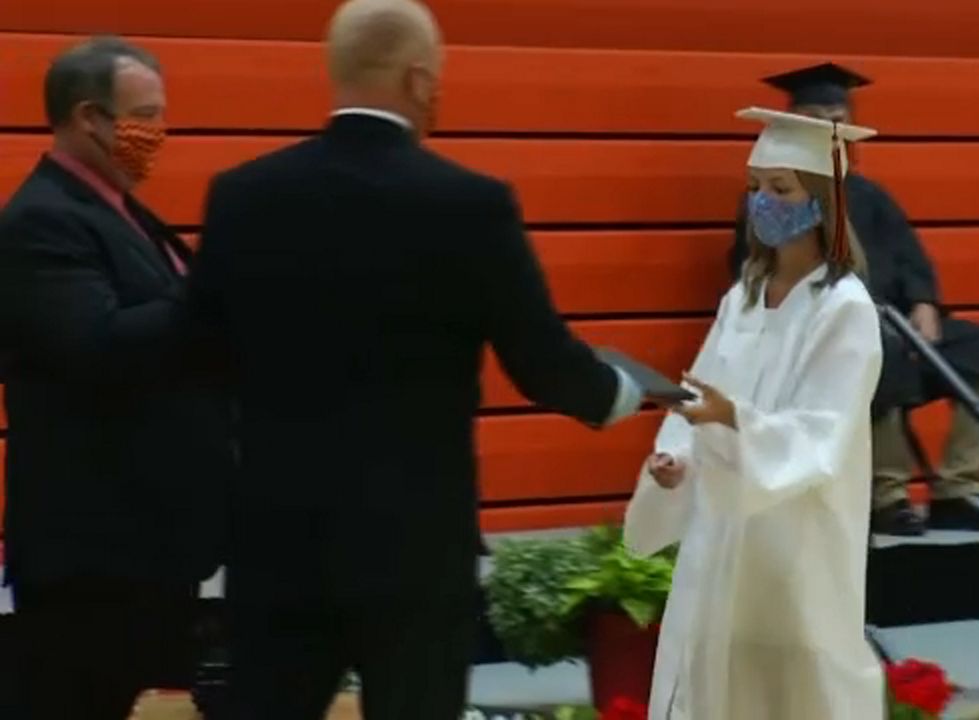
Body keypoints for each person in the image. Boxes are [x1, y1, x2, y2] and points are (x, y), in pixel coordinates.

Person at [187, 1, 649, 718]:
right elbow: (540, 360)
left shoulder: (243, 195)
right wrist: (624, 391)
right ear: (420, 80)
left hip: (275, 536)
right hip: (414, 544)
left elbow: (203, 350)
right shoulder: (470, 203)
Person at [626, 106, 884, 720]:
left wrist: (731, 421)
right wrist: (677, 462)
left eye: (780, 188)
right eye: (754, 188)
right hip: (722, 536)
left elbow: (821, 434)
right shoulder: (740, 300)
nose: (762, 202)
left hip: (795, 545)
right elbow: (698, 399)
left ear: (821, 199)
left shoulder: (843, 309)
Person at [0, 37, 229, 720]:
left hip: (147, 545)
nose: (156, 134)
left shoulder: (123, 213)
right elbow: (96, 346)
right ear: (89, 117)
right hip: (92, 554)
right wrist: (215, 284)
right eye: (144, 115)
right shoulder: (42, 221)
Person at [728, 63, 979, 536]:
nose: (829, 131)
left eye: (837, 120)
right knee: (879, 351)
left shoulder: (870, 195)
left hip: (898, 324)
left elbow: (911, 258)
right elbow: (762, 275)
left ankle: (960, 487)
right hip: (818, 336)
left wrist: (925, 304)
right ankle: (886, 496)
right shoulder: (775, 194)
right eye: (816, 119)